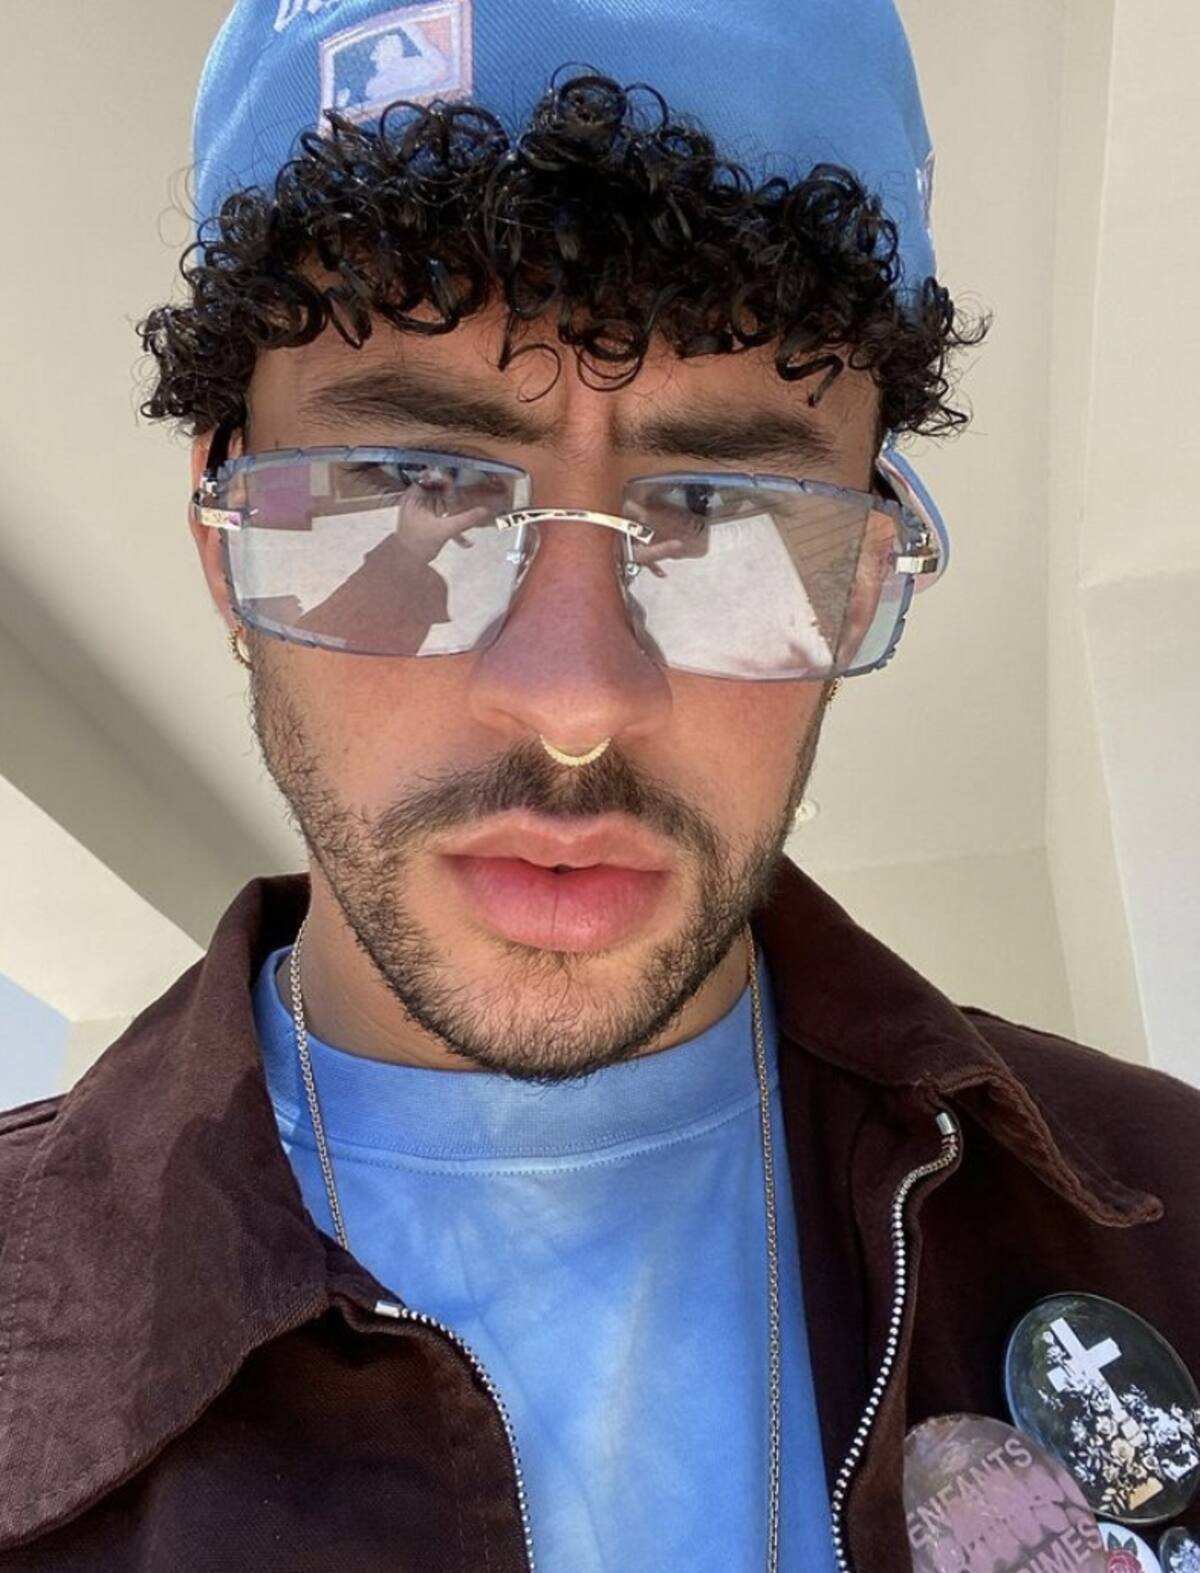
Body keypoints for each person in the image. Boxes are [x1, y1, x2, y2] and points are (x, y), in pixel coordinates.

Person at [0, 3, 1195, 1570]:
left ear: (864, 562)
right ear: (224, 543)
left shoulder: (1175, 1215)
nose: (575, 698)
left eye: (727, 509)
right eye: (412, 484)